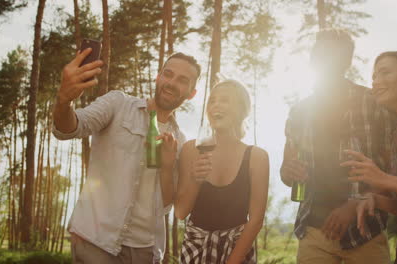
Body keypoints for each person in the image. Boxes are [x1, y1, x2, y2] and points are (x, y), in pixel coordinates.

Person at [52, 49, 201, 264]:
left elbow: (167, 205)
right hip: (95, 242)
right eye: (168, 74)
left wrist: (167, 166)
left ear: (191, 93)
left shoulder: (181, 142)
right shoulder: (118, 104)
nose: (171, 83)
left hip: (145, 251)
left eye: (182, 80)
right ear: (158, 77)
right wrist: (64, 101)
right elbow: (71, 128)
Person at [280, 29, 396, 264]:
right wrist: (288, 172)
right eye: (319, 53)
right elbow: (286, 172)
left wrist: (355, 204)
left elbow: (393, 171)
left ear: (347, 61)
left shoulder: (374, 103)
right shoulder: (299, 112)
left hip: (367, 232)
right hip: (314, 233)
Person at [343, 51, 397, 264]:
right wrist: (377, 200)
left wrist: (385, 179)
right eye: (373, 76)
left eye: (385, 73)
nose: (375, 82)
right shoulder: (396, 136)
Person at [174, 79, 269, 264]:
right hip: (194, 250)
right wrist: (196, 179)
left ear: (242, 110)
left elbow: (256, 220)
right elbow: (180, 212)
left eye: (225, 100)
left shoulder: (257, 157)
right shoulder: (190, 149)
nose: (216, 105)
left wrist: (232, 261)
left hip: (238, 251)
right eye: (212, 101)